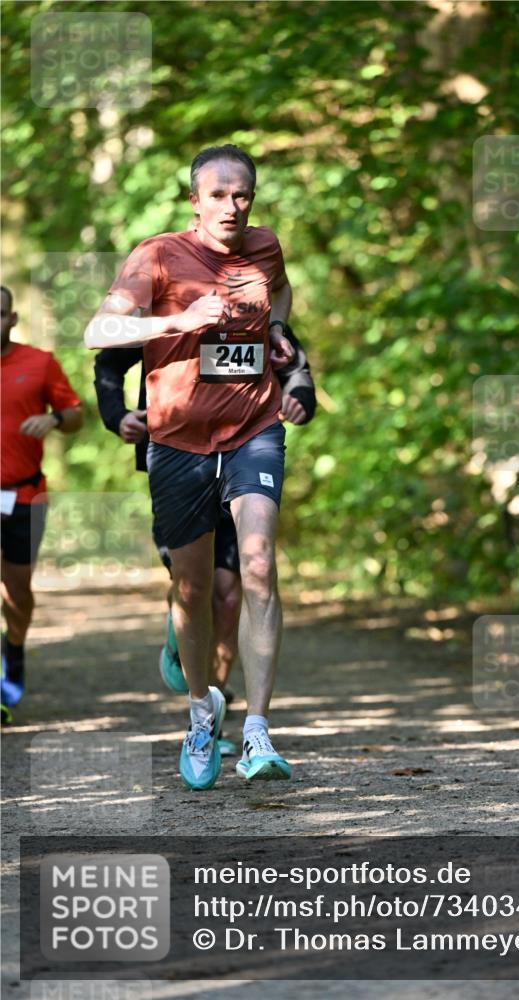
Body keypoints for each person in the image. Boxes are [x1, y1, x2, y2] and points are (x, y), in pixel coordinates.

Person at [84, 144, 299, 790]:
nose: (231, 207)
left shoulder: (264, 249)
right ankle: (200, 712)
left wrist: (276, 338)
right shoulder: (156, 255)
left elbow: (280, 294)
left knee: (257, 566)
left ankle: (257, 729)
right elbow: (98, 333)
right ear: (193, 200)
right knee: (192, 589)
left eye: (242, 196)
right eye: (217, 195)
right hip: (176, 438)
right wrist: (179, 319)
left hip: (253, 427)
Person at [93, 323, 317, 751]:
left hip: (243, 454)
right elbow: (108, 361)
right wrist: (117, 415)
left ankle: (216, 712)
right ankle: (179, 624)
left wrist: (300, 397)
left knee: (232, 592)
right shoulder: (169, 304)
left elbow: (294, 363)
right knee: (195, 585)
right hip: (176, 457)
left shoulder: (248, 302)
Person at [1, 284, 83, 721]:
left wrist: (52, 418)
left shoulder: (39, 363)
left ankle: (12, 653)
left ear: (12, 319)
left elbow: (75, 414)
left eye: (0, 314)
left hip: (25, 495)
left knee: (17, 592)